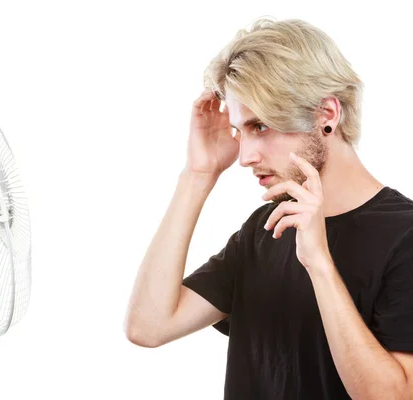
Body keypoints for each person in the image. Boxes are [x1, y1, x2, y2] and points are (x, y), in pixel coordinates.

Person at [124, 17, 413, 399]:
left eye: (260, 127)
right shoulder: (266, 228)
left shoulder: (405, 237)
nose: (245, 156)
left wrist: (319, 265)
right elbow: (148, 326)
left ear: (326, 114)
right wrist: (198, 174)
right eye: (239, 131)